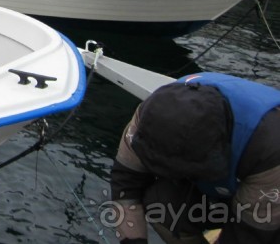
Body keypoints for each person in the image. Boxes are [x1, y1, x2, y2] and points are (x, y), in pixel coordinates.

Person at [109, 72, 280, 243]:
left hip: (268, 188)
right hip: (227, 183)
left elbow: (251, 235)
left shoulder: (270, 148)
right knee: (162, 206)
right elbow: (125, 188)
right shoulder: (148, 118)